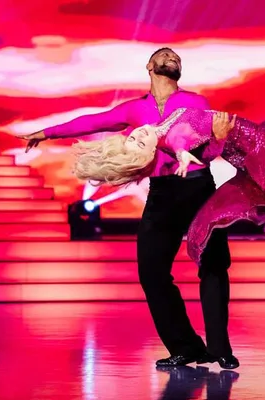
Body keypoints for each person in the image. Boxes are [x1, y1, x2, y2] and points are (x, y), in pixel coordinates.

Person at [16, 48, 239, 369]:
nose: (171, 58)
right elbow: (93, 121)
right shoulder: (136, 109)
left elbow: (208, 148)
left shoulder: (196, 102)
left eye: (176, 58)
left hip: (198, 188)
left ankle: (220, 349)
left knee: (213, 265)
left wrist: (217, 139)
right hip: (163, 193)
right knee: (151, 271)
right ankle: (186, 347)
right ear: (150, 66)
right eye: (165, 55)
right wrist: (45, 133)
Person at [72, 97, 265, 265]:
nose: (138, 136)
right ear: (149, 154)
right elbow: (180, 140)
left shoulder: (160, 123)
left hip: (254, 144)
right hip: (254, 149)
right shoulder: (170, 140)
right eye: (140, 144)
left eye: (133, 137)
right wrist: (183, 154)